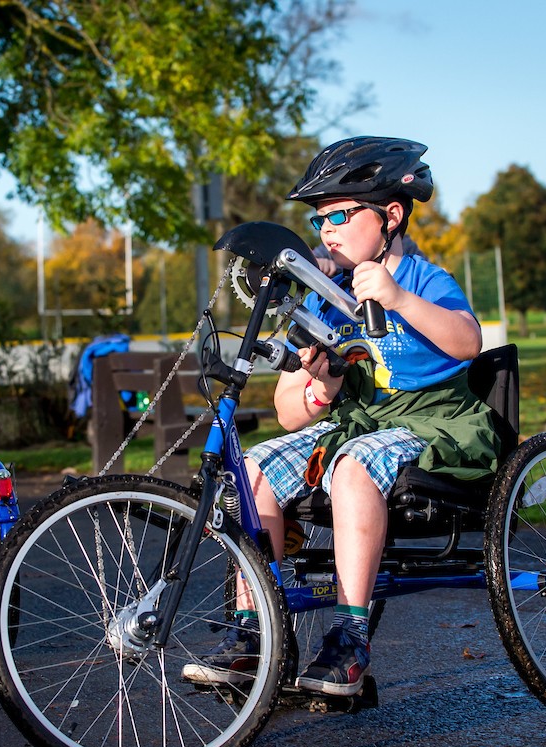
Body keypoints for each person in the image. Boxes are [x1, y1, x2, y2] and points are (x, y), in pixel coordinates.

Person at [182, 137, 502, 697]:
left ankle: (350, 635)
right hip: (356, 423)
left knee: (354, 466)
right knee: (249, 472)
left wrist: (399, 299)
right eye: (319, 219)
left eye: (340, 216)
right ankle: (255, 632)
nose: (326, 230)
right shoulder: (323, 299)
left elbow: (468, 341)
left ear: (391, 216)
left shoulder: (424, 279)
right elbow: (287, 413)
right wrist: (320, 389)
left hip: (431, 421)